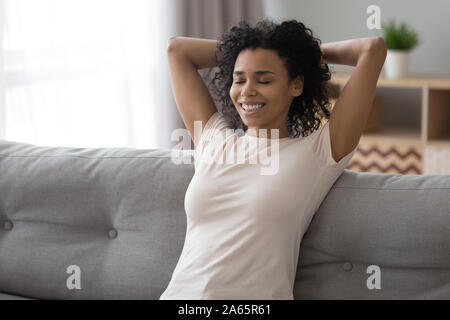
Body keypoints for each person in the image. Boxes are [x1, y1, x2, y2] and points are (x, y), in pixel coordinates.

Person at [160, 18, 386, 300]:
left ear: (296, 85)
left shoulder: (318, 153)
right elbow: (176, 50)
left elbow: (372, 50)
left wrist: (301, 54)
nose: (247, 90)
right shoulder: (213, 141)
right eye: (239, 79)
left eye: (264, 79)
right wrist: (248, 49)